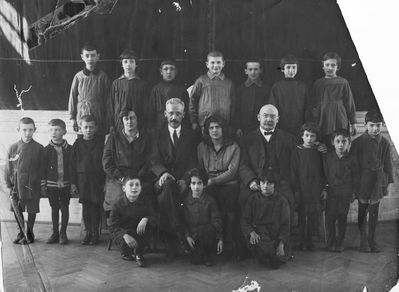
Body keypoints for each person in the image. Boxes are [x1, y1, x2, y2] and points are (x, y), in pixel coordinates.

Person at [150, 98, 199, 257]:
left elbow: (193, 161)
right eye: (171, 113)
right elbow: (153, 160)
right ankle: (182, 235)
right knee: (169, 187)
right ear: (165, 114)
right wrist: (163, 173)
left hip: (182, 181)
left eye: (178, 113)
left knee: (170, 191)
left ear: (184, 115)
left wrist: (185, 180)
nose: (174, 117)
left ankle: (170, 239)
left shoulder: (190, 136)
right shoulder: (156, 134)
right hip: (161, 181)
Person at [350, 110, 393, 252]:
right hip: (362, 181)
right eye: (372, 125)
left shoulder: (385, 143)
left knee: (374, 211)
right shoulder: (357, 143)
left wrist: (385, 184)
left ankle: (371, 239)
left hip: (377, 182)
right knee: (362, 211)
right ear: (365, 125)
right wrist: (355, 185)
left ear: (382, 125)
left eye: (378, 125)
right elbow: (354, 166)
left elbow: (388, 165)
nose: (375, 128)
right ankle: (363, 240)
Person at [197, 115, 240, 255]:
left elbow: (232, 172)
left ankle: (228, 243)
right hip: (208, 183)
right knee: (207, 207)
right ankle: (210, 242)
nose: (214, 130)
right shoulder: (202, 147)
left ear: (223, 129)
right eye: (211, 128)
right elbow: (200, 168)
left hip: (228, 183)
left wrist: (214, 181)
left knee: (229, 208)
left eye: (217, 127)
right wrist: (206, 182)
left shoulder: (233, 146)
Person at [102, 109, 151, 213]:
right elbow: (107, 163)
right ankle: (116, 227)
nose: (129, 121)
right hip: (118, 178)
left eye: (132, 118)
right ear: (122, 121)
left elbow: (150, 161)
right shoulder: (114, 138)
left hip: (140, 177)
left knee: (144, 199)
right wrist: (122, 178)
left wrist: (138, 177)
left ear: (137, 120)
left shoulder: (145, 138)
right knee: (115, 201)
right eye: (126, 118)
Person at [4, 117, 43, 244]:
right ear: (18, 130)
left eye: (30, 130)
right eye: (24, 130)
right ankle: (21, 232)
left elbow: (42, 168)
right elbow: (8, 168)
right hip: (17, 185)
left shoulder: (39, 147)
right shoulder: (13, 147)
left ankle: (29, 233)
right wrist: (9, 185)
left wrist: (39, 182)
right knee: (17, 209)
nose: (27, 133)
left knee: (31, 209)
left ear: (34, 130)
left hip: (33, 185)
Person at [241, 173, 290, 269]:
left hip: (274, 234)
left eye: (269, 183)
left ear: (275, 185)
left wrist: (281, 244)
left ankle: (269, 254)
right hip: (258, 234)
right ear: (259, 184)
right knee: (258, 244)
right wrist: (251, 232)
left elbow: (286, 225)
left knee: (278, 250)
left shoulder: (282, 201)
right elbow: (245, 220)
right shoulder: (253, 199)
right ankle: (268, 255)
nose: (266, 186)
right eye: (263, 182)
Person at [323, 128, 359, 252]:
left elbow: (355, 177)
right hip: (331, 193)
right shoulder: (328, 158)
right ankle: (331, 242)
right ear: (332, 142)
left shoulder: (352, 159)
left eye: (344, 142)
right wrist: (324, 190)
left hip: (345, 193)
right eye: (338, 141)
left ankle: (340, 242)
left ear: (349, 143)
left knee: (342, 218)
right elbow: (324, 175)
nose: (341, 145)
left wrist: (353, 192)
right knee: (330, 218)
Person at [290, 122, 325, 251]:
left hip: (315, 189)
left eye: (313, 136)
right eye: (307, 135)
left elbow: (323, 171)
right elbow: (293, 172)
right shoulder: (297, 152)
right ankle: (302, 240)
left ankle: (310, 239)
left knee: (312, 215)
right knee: (302, 214)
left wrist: (323, 188)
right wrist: (296, 190)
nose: (309, 139)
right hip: (302, 188)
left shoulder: (319, 152)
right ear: (302, 136)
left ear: (316, 138)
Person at [71, 115, 105, 245]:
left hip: (97, 179)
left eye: (91, 127)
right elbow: (72, 165)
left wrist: (104, 182)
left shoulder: (101, 143)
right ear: (81, 128)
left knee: (96, 206)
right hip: (82, 179)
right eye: (86, 127)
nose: (89, 130)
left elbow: (104, 163)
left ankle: (96, 233)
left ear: (95, 128)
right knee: (86, 207)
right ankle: (88, 232)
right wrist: (74, 183)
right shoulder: (77, 144)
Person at [108, 176, 156, 267]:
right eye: (131, 185)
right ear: (124, 188)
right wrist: (124, 235)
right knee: (126, 251)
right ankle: (126, 252)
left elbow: (154, 216)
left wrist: (146, 218)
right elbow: (112, 225)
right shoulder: (117, 204)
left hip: (138, 231)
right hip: (123, 232)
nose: (134, 187)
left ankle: (139, 253)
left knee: (149, 226)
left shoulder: (145, 202)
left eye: (137, 185)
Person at [311, 52, 356, 143]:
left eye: (333, 65)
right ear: (323, 66)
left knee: (340, 142)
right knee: (324, 145)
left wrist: (353, 123)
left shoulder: (343, 82)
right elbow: (313, 104)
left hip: (339, 117)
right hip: (323, 118)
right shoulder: (318, 84)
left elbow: (349, 103)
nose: (330, 68)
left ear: (337, 67)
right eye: (327, 65)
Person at [41, 119, 74, 244]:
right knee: (54, 208)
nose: (54, 132)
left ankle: (63, 233)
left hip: (65, 185)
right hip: (51, 185)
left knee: (65, 208)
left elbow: (72, 168)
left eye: (57, 129)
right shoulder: (46, 150)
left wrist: (73, 184)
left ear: (64, 132)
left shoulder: (70, 149)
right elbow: (42, 168)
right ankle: (55, 233)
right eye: (51, 129)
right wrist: (43, 184)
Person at [68, 43, 111, 136]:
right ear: (82, 57)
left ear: (98, 56)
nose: (90, 59)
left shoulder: (103, 76)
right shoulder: (78, 77)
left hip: (99, 116)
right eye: (87, 56)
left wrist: (108, 119)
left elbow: (108, 99)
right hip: (82, 115)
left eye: (93, 55)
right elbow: (72, 97)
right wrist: (73, 119)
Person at [183, 168, 223, 266]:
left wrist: (220, 239)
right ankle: (196, 253)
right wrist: (187, 236)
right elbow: (182, 221)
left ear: (204, 184)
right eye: (193, 183)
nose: (196, 187)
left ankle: (208, 255)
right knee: (195, 261)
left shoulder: (210, 201)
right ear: (189, 184)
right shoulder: (185, 201)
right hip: (192, 236)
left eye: (199, 183)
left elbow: (216, 221)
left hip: (206, 236)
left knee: (209, 229)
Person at [189, 50, 235, 133]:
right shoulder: (201, 81)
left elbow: (233, 104)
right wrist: (194, 121)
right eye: (212, 63)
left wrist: (232, 123)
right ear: (207, 64)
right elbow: (192, 101)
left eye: (218, 62)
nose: (216, 65)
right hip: (204, 124)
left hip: (224, 124)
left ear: (223, 64)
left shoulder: (229, 83)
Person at [109, 49, 149, 132]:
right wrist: (111, 124)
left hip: (138, 124)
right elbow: (111, 105)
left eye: (131, 62)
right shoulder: (116, 83)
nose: (128, 65)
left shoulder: (142, 84)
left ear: (136, 64)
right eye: (125, 62)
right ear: (122, 64)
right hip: (119, 124)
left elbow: (146, 107)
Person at [269, 55, 309, 137]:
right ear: (282, 69)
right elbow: (273, 107)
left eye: (294, 67)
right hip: (282, 126)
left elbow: (307, 107)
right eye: (288, 67)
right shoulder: (277, 87)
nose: (291, 70)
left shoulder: (302, 86)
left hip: (299, 126)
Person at [148, 59, 190, 130]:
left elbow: (186, 111)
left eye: (172, 69)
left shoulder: (182, 90)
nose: (169, 72)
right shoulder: (156, 89)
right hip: (160, 126)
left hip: (177, 124)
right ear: (161, 71)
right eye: (166, 69)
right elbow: (151, 112)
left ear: (176, 71)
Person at [235, 60, 269, 137]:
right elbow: (236, 109)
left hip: (260, 126)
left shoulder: (266, 88)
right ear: (245, 71)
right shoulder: (240, 89)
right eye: (250, 69)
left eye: (256, 69)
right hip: (244, 127)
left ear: (260, 70)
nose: (253, 72)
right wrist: (238, 127)